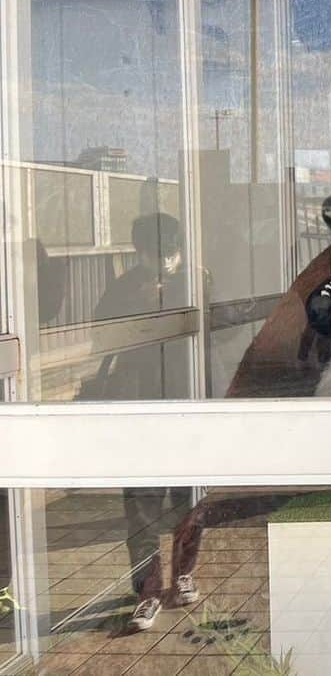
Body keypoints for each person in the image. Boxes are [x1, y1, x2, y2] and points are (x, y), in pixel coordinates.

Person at [84, 213, 203, 632]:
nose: (166, 262)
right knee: (141, 506)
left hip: (187, 402)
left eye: (172, 254)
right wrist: (138, 299)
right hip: (139, 407)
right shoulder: (123, 287)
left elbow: (221, 329)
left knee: (188, 497)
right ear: (140, 254)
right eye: (158, 255)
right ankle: (148, 590)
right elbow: (101, 335)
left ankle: (184, 572)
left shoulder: (195, 278)